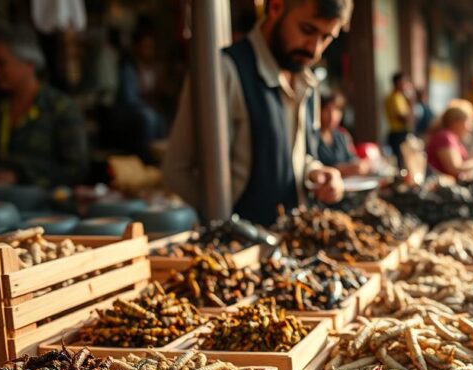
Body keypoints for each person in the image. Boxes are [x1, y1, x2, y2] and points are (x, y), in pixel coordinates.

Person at [163, 0, 350, 226]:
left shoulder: (307, 83)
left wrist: (317, 173)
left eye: (326, 38)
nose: (315, 49)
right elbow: (178, 170)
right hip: (241, 250)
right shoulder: (224, 71)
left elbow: (298, 156)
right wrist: (222, 222)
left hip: (295, 245)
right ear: (276, 7)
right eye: (307, 30)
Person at [0, 25, 88, 187]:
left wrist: (20, 178)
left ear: (29, 63)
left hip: (46, 207)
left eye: (0, 62)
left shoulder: (60, 108)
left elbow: (76, 170)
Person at [116, 26, 167, 162]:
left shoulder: (153, 68)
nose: (149, 51)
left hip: (148, 108)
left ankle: (161, 159)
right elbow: (129, 99)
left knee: (160, 119)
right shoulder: (129, 69)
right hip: (131, 112)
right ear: (136, 47)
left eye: (151, 47)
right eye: (145, 46)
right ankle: (146, 159)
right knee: (149, 118)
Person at [426, 99, 473, 178]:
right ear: (457, 122)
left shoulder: (452, 137)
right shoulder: (445, 137)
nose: (471, 127)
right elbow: (454, 168)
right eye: (469, 121)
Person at [316, 92, 368, 176]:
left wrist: (362, 164)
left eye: (337, 110)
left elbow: (352, 159)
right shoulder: (312, 139)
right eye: (327, 110)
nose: (332, 115)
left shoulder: (342, 136)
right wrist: (343, 169)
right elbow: (314, 167)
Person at [385, 71, 415, 168]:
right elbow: (405, 119)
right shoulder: (395, 98)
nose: (407, 85)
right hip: (398, 134)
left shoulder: (400, 97)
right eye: (405, 83)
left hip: (399, 133)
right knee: (401, 164)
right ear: (399, 83)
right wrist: (411, 103)